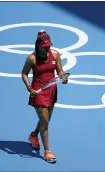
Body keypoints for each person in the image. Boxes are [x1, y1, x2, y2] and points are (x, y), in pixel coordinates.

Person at [21, 30, 68, 163]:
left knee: (45, 120)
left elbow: (59, 70)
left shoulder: (55, 54)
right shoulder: (32, 58)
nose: (47, 49)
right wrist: (29, 88)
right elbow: (24, 73)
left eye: (49, 46)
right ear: (38, 46)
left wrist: (62, 76)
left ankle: (33, 136)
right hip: (38, 92)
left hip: (52, 91)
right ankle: (48, 151)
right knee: (45, 121)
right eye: (45, 47)